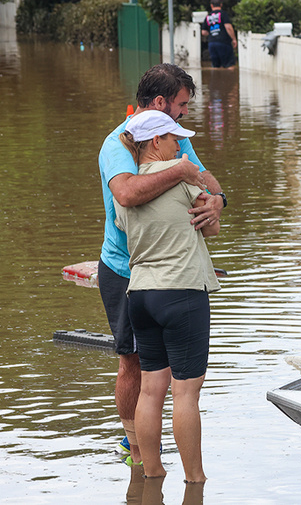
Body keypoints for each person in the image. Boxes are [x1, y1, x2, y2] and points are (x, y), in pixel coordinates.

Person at [98, 63, 226, 466]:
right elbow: (128, 194)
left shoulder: (172, 141)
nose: (185, 114)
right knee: (132, 363)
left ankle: (147, 471)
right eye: (182, 105)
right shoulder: (117, 145)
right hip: (124, 268)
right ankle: (133, 445)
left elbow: (209, 182)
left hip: (154, 276)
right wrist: (183, 172)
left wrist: (218, 202)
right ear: (160, 104)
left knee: (156, 380)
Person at [201, 0, 237, 69]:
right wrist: (234, 39)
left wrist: (212, 32)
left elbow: (203, 32)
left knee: (216, 67)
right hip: (224, 42)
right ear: (221, 5)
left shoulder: (208, 16)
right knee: (229, 65)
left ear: (211, 6)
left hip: (212, 44)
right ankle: (230, 79)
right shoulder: (223, 14)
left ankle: (216, 79)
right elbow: (228, 27)